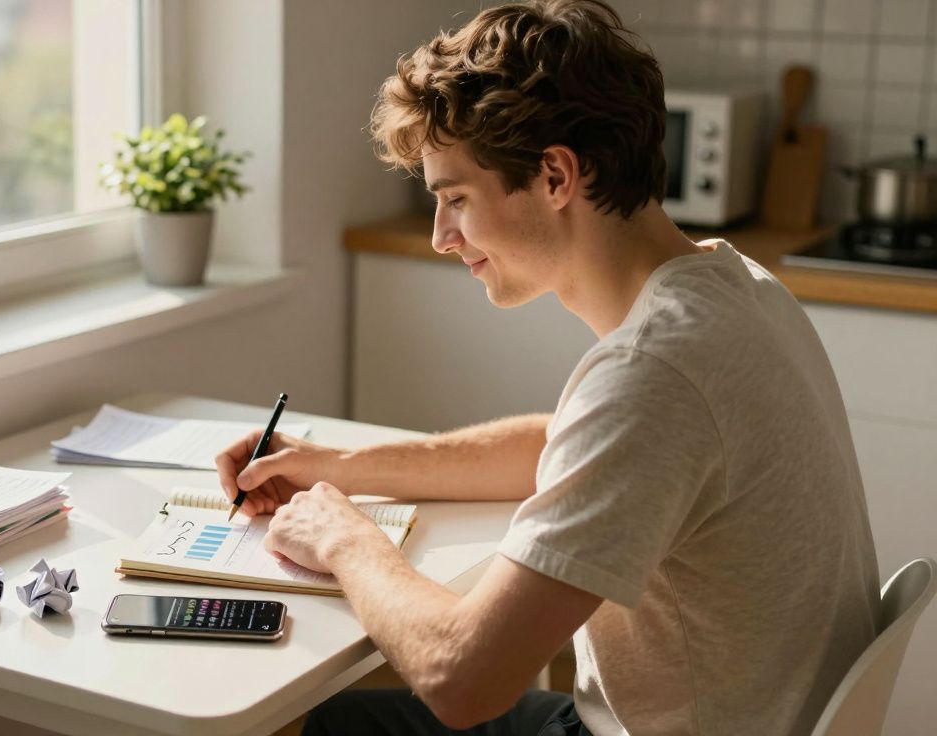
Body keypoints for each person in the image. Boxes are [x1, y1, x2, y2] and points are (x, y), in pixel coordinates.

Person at [215, 1, 881, 734]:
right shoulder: (735, 287)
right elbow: (572, 448)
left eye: (457, 199)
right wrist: (339, 465)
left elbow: (461, 677)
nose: (441, 236)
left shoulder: (655, 373)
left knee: (280, 724)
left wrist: (345, 539)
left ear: (556, 176)